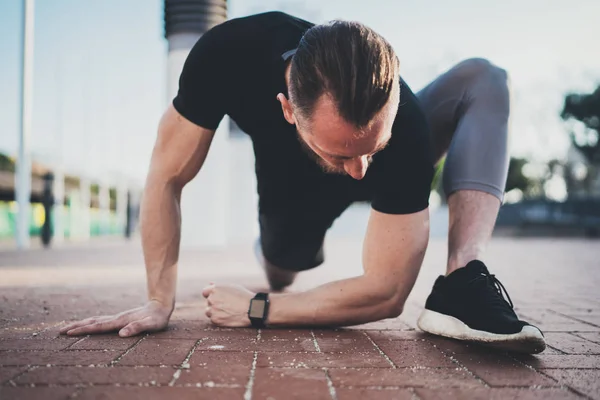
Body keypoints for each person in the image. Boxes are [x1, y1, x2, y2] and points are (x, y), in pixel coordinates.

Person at [60, 11, 545, 354]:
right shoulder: (229, 53)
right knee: (282, 269)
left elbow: (386, 293)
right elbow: (165, 176)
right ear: (288, 109)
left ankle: (465, 276)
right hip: (289, 202)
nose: (360, 173)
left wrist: (257, 310)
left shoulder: (406, 126)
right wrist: (157, 299)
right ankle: (277, 247)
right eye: (342, 152)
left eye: (371, 149)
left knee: (484, 78)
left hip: (398, 152)